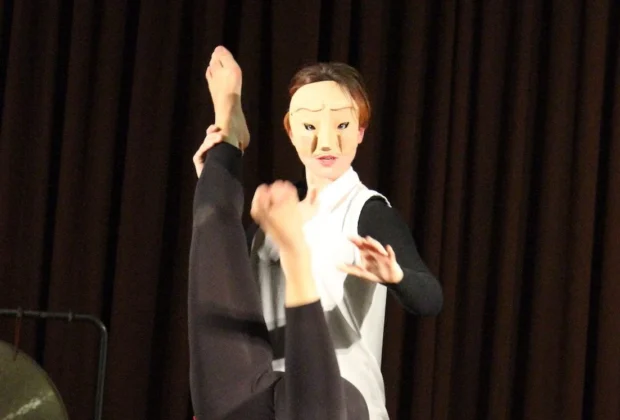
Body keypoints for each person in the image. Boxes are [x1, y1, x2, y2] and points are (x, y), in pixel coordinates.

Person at [190, 46, 443, 419]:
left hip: (338, 401)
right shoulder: (275, 212)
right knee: (213, 219)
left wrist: (397, 276)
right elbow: (225, 287)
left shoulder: (366, 211)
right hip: (268, 395)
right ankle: (229, 135)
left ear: (360, 131)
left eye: (342, 126)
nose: (326, 143)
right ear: (291, 131)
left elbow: (430, 298)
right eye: (310, 126)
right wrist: (212, 179)